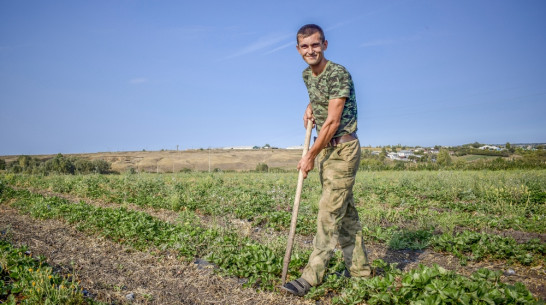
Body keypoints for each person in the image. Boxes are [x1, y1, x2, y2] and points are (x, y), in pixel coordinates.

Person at [281, 24, 371, 297]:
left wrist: (310, 155)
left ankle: (312, 276)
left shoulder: (338, 73)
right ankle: (360, 271)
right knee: (346, 216)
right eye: (305, 46)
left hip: (343, 149)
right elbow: (319, 100)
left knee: (328, 213)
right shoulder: (307, 75)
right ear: (298, 49)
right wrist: (310, 107)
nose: (311, 50)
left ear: (325, 45)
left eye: (315, 45)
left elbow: (332, 121)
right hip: (329, 152)